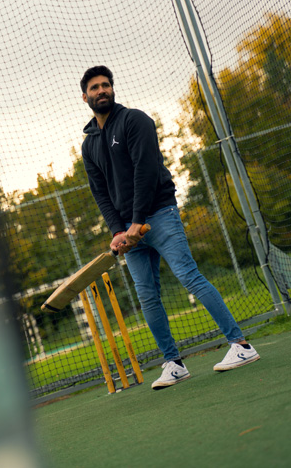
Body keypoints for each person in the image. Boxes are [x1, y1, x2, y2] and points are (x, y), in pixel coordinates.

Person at [79, 65, 259, 390]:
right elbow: (100, 192)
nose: (101, 90)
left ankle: (240, 345)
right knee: (147, 297)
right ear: (85, 97)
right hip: (129, 231)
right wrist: (118, 230)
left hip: (159, 214)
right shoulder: (89, 145)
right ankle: (173, 363)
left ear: (113, 89)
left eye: (106, 85)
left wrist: (138, 220)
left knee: (189, 276)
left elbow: (146, 171)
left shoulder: (134, 120)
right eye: (95, 87)